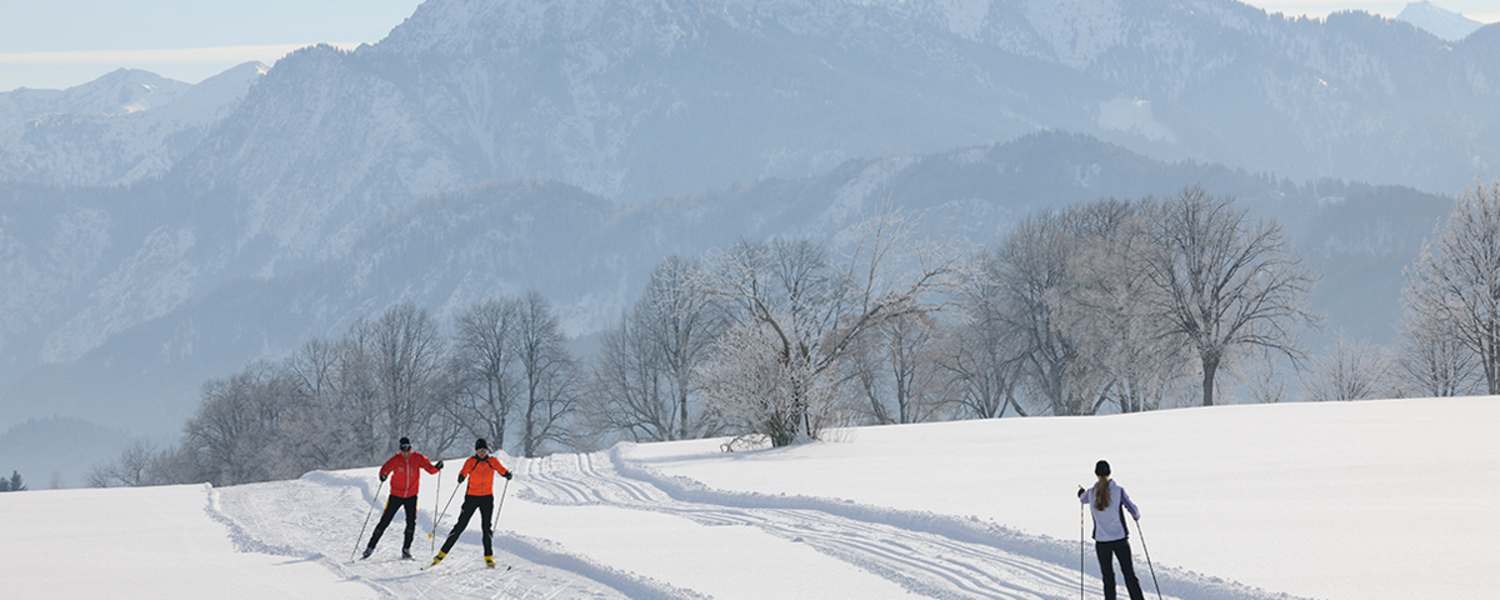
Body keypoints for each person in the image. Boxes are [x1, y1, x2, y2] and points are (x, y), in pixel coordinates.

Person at [431, 438, 512, 569]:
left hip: (486, 498)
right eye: (480, 450)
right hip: (471, 498)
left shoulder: (492, 461)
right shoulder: (471, 461)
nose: (482, 453)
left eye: (484, 450)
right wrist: (461, 476)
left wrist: (507, 474)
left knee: (486, 528)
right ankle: (441, 554)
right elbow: (464, 471)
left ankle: (489, 557)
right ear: (476, 451)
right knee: (460, 526)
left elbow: (501, 470)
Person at [362, 436, 443, 560]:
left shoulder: (418, 458)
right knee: (385, 521)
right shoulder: (395, 460)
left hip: (411, 496)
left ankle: (406, 550)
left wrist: (437, 467)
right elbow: (385, 469)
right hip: (396, 495)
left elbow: (430, 469)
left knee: (411, 523)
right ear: (400, 450)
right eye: (403, 449)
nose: (406, 452)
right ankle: (370, 547)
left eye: (408, 448)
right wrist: (383, 476)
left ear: (411, 447)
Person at [1077, 460, 1144, 600]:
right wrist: (1135, 517)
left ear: (1096, 474)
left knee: (1108, 578)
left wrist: (1081, 492)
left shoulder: (1091, 493)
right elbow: (1135, 512)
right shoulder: (1119, 491)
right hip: (1120, 539)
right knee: (1129, 574)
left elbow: (1082, 499)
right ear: (1110, 472)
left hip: (1102, 542)